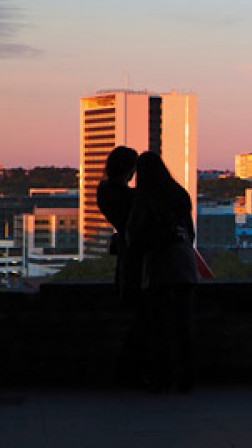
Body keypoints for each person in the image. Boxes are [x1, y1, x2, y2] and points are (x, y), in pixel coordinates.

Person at [127, 151, 198, 393]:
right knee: (183, 324)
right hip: (183, 263)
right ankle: (186, 376)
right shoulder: (179, 195)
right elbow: (190, 232)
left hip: (158, 266)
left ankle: (162, 376)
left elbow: (133, 235)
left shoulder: (144, 198)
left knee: (158, 325)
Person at [96, 145, 146, 385]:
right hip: (136, 256)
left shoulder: (104, 191)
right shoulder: (128, 197)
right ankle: (130, 370)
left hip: (127, 254)